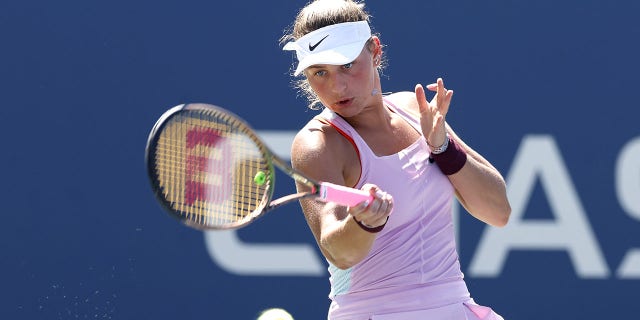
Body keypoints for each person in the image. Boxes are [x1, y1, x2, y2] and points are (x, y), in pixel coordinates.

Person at [281, 1, 511, 319]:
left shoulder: (413, 109)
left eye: (347, 65)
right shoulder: (317, 144)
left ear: (375, 50)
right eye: (320, 72)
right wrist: (364, 222)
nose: (337, 85)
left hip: (455, 308)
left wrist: (443, 148)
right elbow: (339, 251)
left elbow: (498, 210)